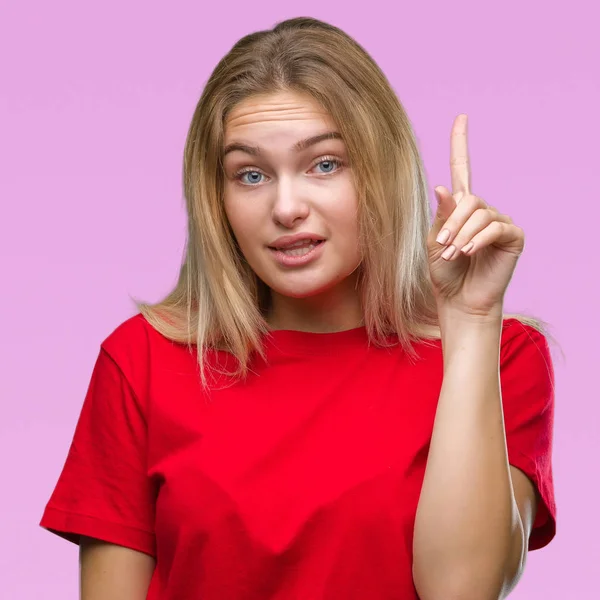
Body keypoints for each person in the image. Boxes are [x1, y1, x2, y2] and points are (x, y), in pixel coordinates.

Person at [40, 16, 556, 600]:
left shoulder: (501, 353)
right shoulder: (143, 360)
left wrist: (470, 325)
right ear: (218, 197)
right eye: (251, 174)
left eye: (325, 164)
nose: (286, 207)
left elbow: (461, 591)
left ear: (382, 171)